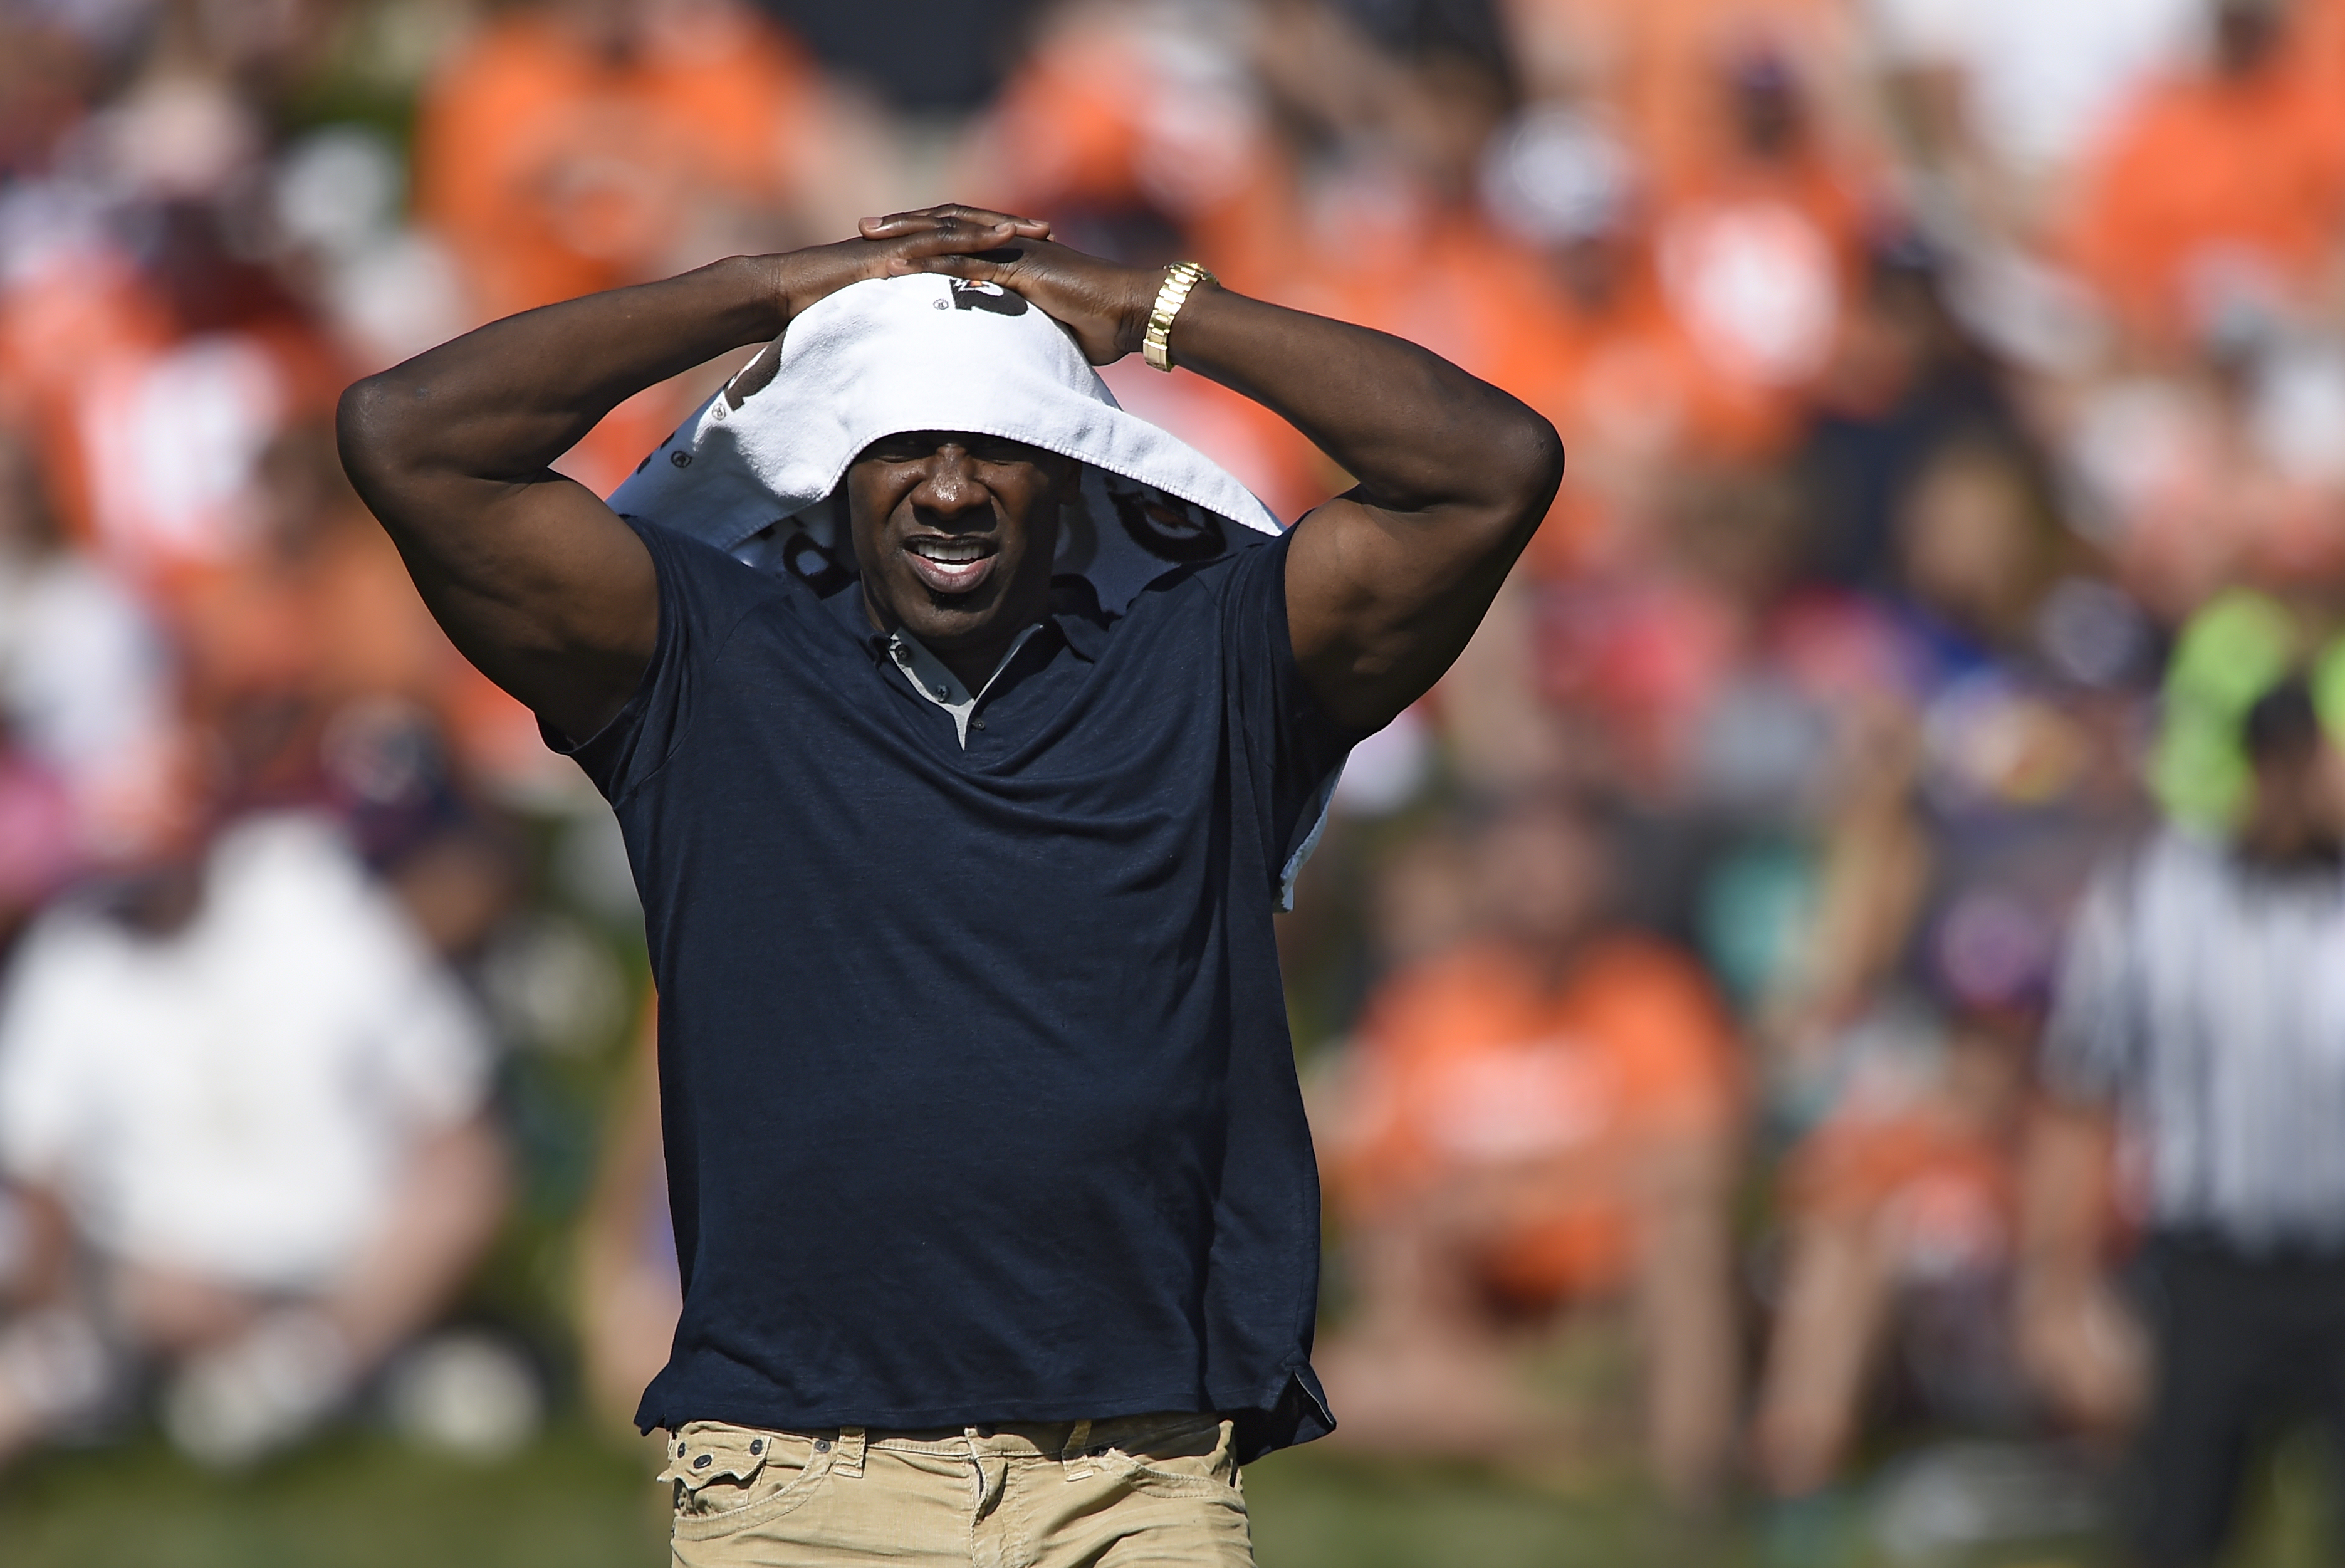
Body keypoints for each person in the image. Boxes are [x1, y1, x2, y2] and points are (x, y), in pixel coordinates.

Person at [337, 204, 1562, 1564]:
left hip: (1132, 1480)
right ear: (835, 471)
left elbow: (1488, 465)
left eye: (998, 444)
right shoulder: (699, 669)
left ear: (1074, 470)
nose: (950, 485)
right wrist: (780, 296)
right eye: (901, 443)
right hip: (796, 1483)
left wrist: (1155, 313)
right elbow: (409, 432)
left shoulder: (1211, 668)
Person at [2025, 677, 2345, 1568]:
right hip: (2209, 1263)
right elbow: (2078, 1090)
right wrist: (2057, 1285)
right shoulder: (2153, 899)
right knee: (2179, 1523)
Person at [0, 808, 506, 1470]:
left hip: (348, 1256)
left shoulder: (310, 891)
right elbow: (41, 1180)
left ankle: (297, 1375)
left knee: (466, 1181)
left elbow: (448, 1096)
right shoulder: (71, 949)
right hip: (147, 1273)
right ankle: (321, 1382)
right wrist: (89, 1291)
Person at [1317, 794, 1741, 1502]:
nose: (1542, 879)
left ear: (1605, 874)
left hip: (1607, 1299)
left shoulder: (1655, 994)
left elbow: (1700, 1162)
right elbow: (1379, 1174)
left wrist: (1533, 1198)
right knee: (1349, 1352)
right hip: (1470, 1307)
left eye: (1565, 859)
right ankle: (1561, 1437)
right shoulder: (1430, 1003)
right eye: (1524, 858)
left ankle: (1684, 1494)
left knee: (1688, 1240)